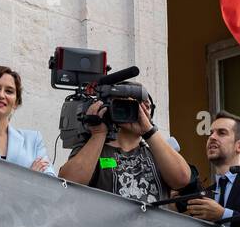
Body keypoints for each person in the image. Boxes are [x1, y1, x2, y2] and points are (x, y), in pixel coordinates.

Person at [58, 87, 193, 204]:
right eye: (135, 105)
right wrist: (99, 134)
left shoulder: (157, 152)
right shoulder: (94, 149)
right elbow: (68, 183)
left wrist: (149, 131)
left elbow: (182, 179)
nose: (142, 111)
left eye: (147, 106)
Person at [185, 111, 240, 227]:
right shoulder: (206, 194)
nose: (212, 137)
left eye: (222, 133)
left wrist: (223, 215)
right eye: (211, 133)